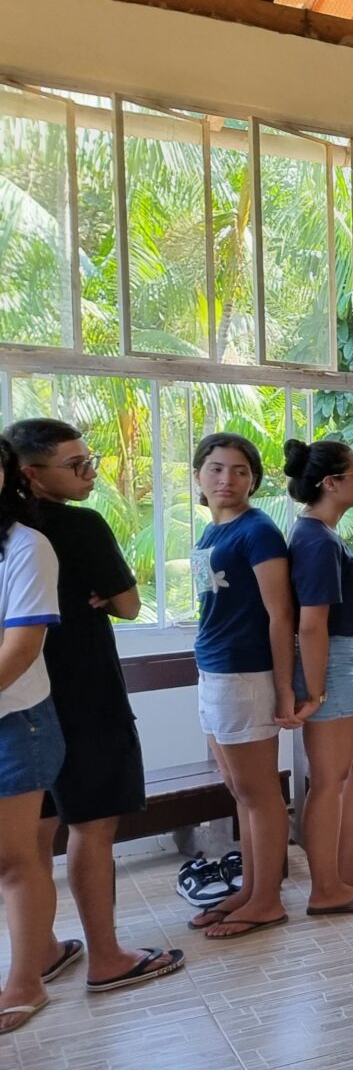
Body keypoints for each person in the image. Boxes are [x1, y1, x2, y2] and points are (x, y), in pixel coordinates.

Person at [7, 419, 181, 993]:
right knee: (93, 825)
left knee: (32, 835)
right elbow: (129, 605)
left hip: (20, 705)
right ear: (30, 474)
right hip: (85, 694)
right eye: (76, 465)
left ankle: (41, 952)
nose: (90, 474)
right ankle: (106, 956)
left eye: (91, 461)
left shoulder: (11, 534)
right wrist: (106, 596)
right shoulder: (79, 527)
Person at [190, 432, 302, 938]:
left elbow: (281, 615)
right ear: (198, 475)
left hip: (246, 673)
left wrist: (284, 687)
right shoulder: (212, 531)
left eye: (240, 471)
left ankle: (267, 900)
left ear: (254, 480)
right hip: (213, 669)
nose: (227, 479)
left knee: (260, 793)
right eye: (216, 468)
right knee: (240, 790)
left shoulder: (258, 532)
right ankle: (251, 889)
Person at [284, 438, 353, 917]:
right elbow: (311, 624)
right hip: (331, 663)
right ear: (331, 483)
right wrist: (314, 688)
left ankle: (346, 867)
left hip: (343, 661)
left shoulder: (321, 534)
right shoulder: (315, 540)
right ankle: (325, 888)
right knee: (329, 780)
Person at [0, 436, 67, 1032]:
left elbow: (21, 648)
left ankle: (26, 983)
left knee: (14, 859)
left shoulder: (25, 546)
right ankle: (37, 955)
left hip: (16, 722)